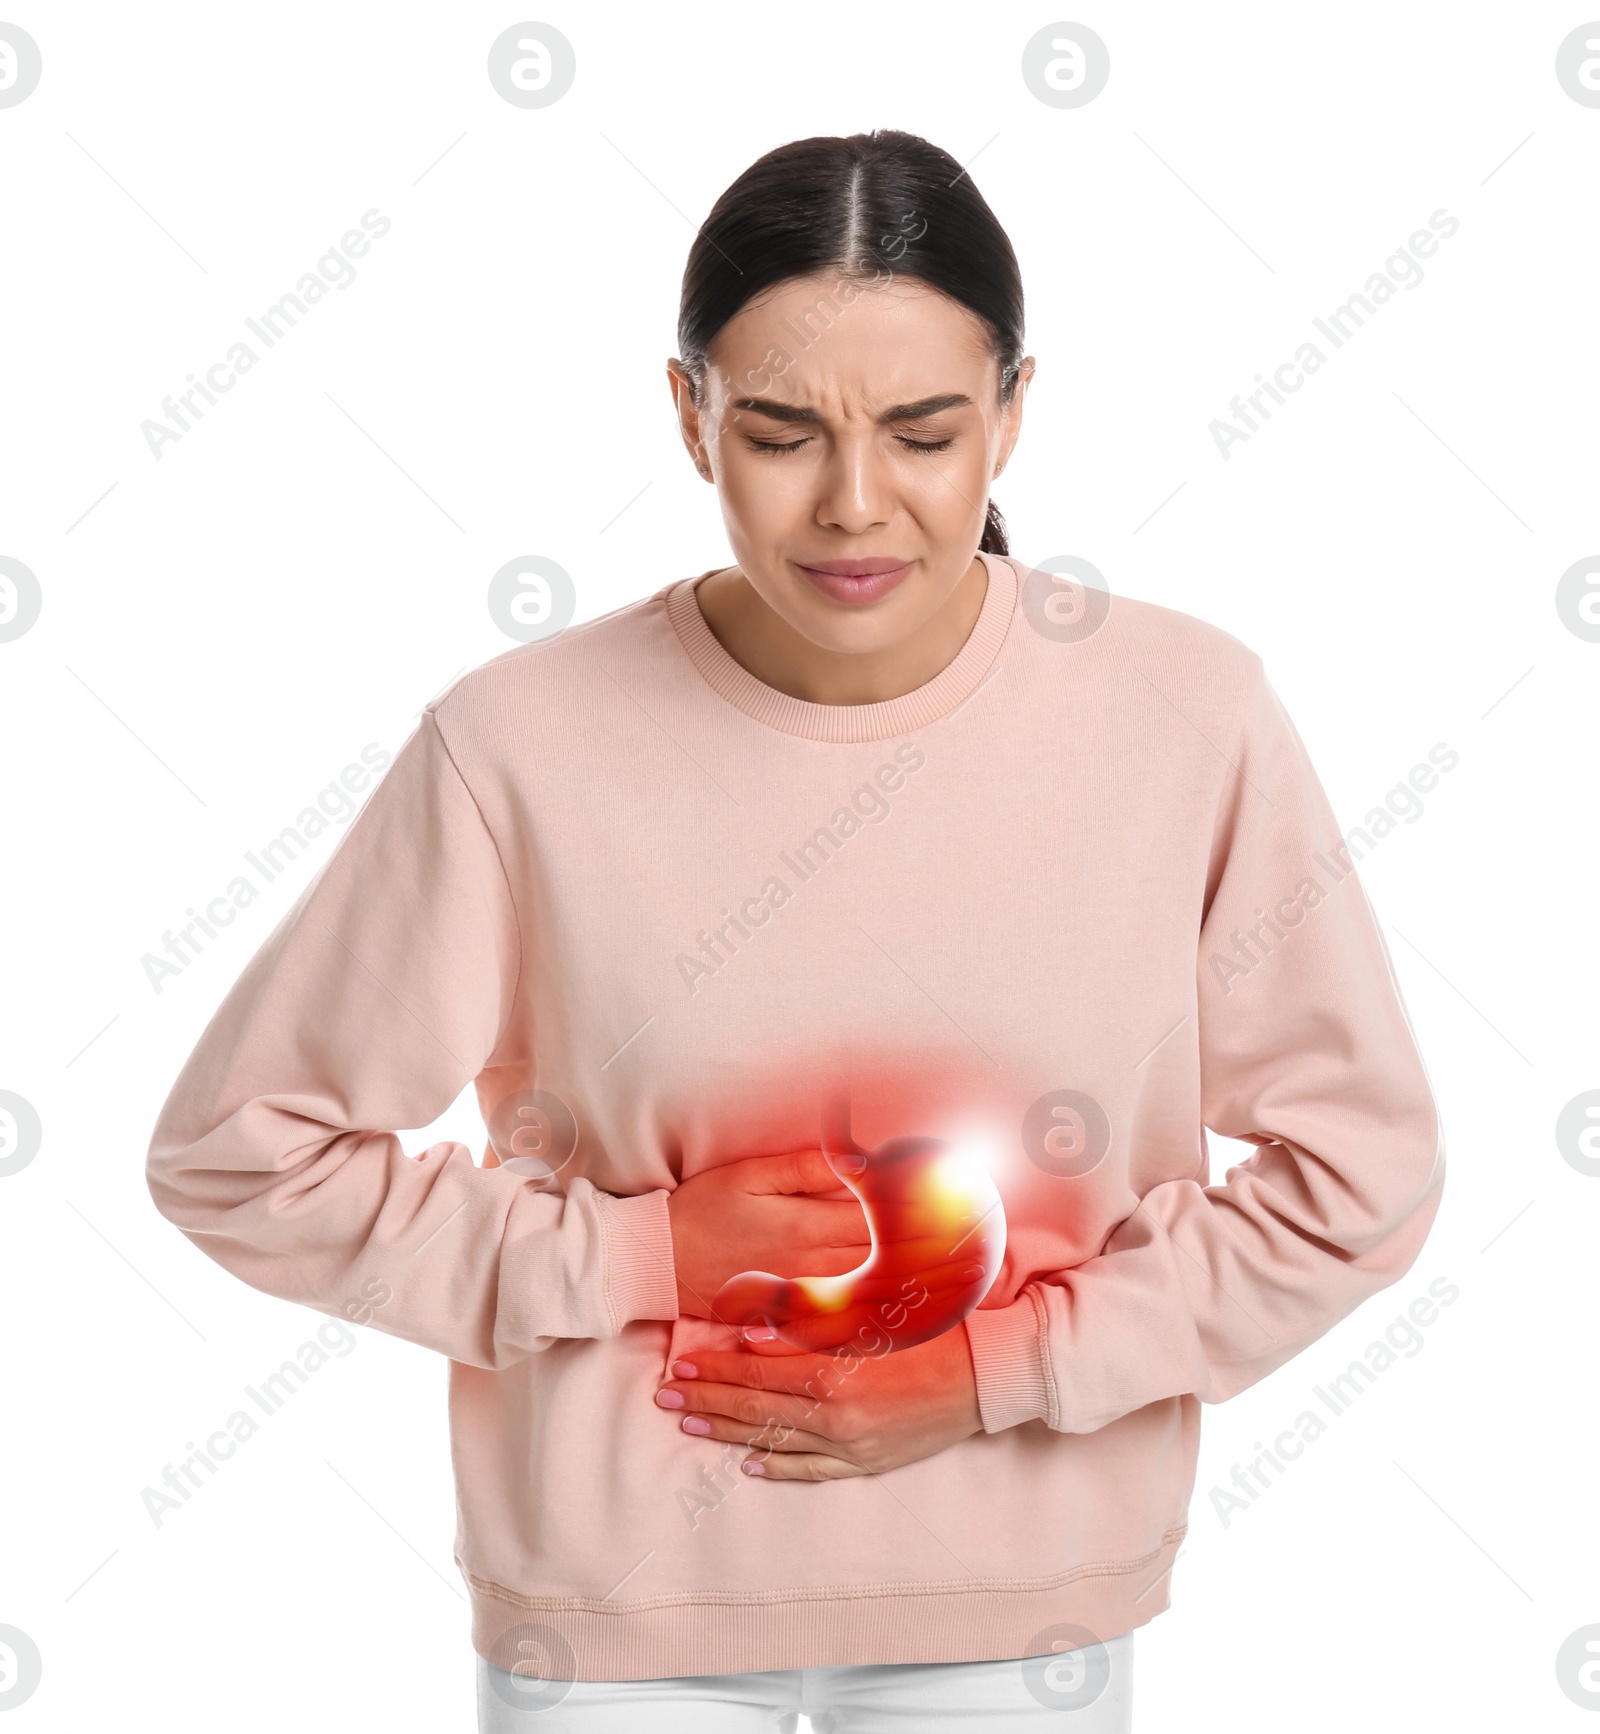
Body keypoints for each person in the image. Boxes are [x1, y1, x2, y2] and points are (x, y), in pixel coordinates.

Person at [146, 129, 1444, 1732]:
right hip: (619, 1618)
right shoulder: (517, 745)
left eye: (924, 432)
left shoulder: (1191, 717)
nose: (854, 505)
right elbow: (239, 1155)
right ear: (687, 416)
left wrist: (992, 1372)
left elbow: (1361, 1178)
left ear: (1015, 415)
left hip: (1017, 1614)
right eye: (778, 431)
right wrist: (643, 1251)